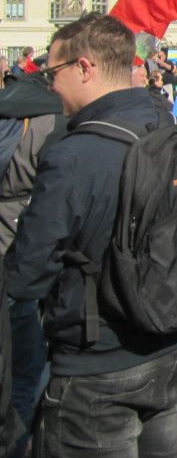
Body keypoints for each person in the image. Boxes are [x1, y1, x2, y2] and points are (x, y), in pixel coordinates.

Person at [6, 13, 177, 455]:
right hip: (170, 345)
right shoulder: (167, 126)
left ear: (85, 68)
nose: (50, 85)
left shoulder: (73, 153)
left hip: (98, 360)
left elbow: (26, 273)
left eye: (54, 73)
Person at [0, 70, 64, 455]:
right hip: (20, 260)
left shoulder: (10, 116)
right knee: (29, 369)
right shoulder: (49, 121)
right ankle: (16, 446)